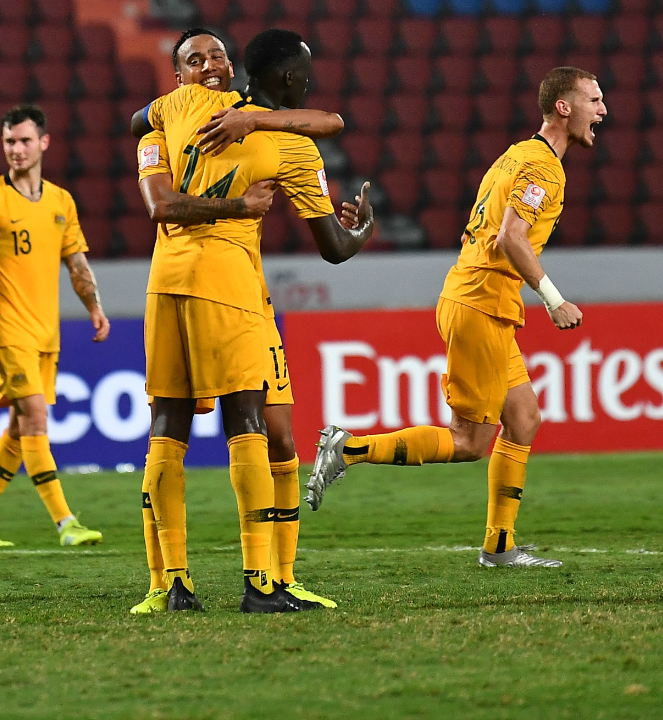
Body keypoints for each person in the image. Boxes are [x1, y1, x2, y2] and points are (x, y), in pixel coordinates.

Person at [306, 67, 603, 569]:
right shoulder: (543, 168)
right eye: (594, 100)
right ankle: (351, 449)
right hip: (479, 304)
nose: (603, 109)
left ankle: (500, 545)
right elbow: (511, 237)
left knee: (524, 419)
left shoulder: (519, 154)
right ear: (564, 107)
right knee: (469, 441)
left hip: (482, 300)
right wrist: (554, 297)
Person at [133, 29, 376, 613]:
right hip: (228, 287)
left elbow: (138, 122)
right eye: (196, 59)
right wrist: (362, 229)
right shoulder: (287, 142)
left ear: (234, 67)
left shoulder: (170, 112)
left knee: (170, 427)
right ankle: (260, 582)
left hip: (165, 284)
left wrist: (249, 121)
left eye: (216, 56)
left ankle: (173, 584)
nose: (208, 66)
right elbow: (335, 240)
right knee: (249, 423)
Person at [0, 104, 110, 549]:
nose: (16, 149)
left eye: (24, 140)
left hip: (47, 335)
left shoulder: (61, 201)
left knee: (22, 429)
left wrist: (94, 307)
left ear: (43, 142)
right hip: (7, 332)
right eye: (8, 142)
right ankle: (66, 523)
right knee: (36, 418)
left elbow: (76, 261)